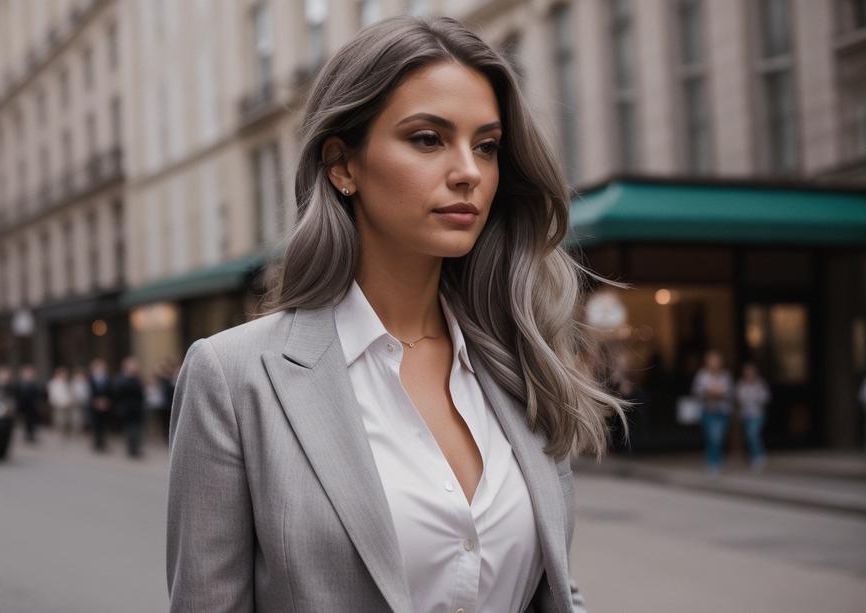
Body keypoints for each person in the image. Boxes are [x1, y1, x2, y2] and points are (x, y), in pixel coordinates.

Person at [167, 16, 627, 613]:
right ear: (343, 165)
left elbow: (552, 586)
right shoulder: (234, 376)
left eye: (486, 146)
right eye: (428, 139)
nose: (469, 172)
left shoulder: (518, 359)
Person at [692, 350, 734, 474]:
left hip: (722, 411)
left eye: (716, 361)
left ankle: (716, 460)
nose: (713, 364)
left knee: (718, 437)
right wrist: (708, 392)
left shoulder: (726, 375)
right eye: (711, 361)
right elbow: (697, 391)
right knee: (712, 437)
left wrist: (720, 393)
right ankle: (713, 461)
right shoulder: (702, 375)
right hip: (708, 410)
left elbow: (731, 392)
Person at [735, 362, 771, 471]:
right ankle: (756, 455)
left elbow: (766, 398)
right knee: (750, 436)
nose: (749, 374)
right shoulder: (741, 384)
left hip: (757, 414)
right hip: (746, 415)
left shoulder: (760, 384)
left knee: (753, 434)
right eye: (747, 372)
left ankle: (758, 456)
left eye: (750, 372)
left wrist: (757, 398)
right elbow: (738, 398)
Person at [113, 357, 145, 458]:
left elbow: (141, 394)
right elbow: (118, 394)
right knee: (130, 429)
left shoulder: (137, 379)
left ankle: (136, 448)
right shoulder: (122, 379)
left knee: (137, 428)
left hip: (137, 408)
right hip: (127, 408)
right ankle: (131, 448)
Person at [13, 364, 44, 444]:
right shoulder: (20, 383)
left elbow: (38, 394)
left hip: (32, 406)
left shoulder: (34, 383)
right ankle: (27, 435)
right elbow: (17, 395)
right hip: (24, 405)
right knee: (26, 421)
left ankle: (31, 435)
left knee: (32, 421)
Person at [87, 358, 112, 452]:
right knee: (96, 424)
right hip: (95, 405)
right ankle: (96, 443)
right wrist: (96, 401)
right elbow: (89, 392)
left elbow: (110, 391)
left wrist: (106, 401)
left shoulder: (107, 378)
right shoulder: (91, 378)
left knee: (104, 425)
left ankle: (103, 442)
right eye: (99, 367)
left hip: (105, 404)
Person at [46, 367, 73, 439]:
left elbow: (69, 393)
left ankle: (65, 433)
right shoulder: (53, 383)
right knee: (59, 419)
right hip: (58, 404)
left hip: (67, 404)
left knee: (66, 419)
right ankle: (58, 432)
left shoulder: (67, 383)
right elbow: (52, 395)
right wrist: (56, 402)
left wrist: (70, 400)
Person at [69, 366, 91, 434]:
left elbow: (88, 393)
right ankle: (76, 430)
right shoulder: (73, 383)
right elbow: (71, 392)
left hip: (84, 402)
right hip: (76, 403)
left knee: (84, 417)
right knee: (76, 417)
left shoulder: (86, 383)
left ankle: (83, 429)